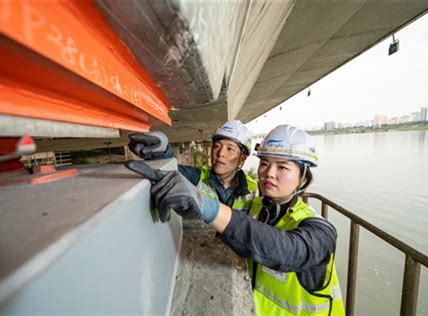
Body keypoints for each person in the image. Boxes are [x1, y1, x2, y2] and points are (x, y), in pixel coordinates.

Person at [128, 124, 345, 315]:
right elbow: (241, 230)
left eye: (282, 167)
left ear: (303, 179)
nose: (269, 173)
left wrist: (208, 206)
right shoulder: (259, 207)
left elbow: (289, 252)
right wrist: (162, 155)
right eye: (265, 163)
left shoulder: (321, 230)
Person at [128, 120, 259, 217]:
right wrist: (160, 152)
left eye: (230, 148)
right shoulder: (198, 177)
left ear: (242, 158)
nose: (220, 153)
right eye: (217, 146)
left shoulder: (255, 190)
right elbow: (173, 172)